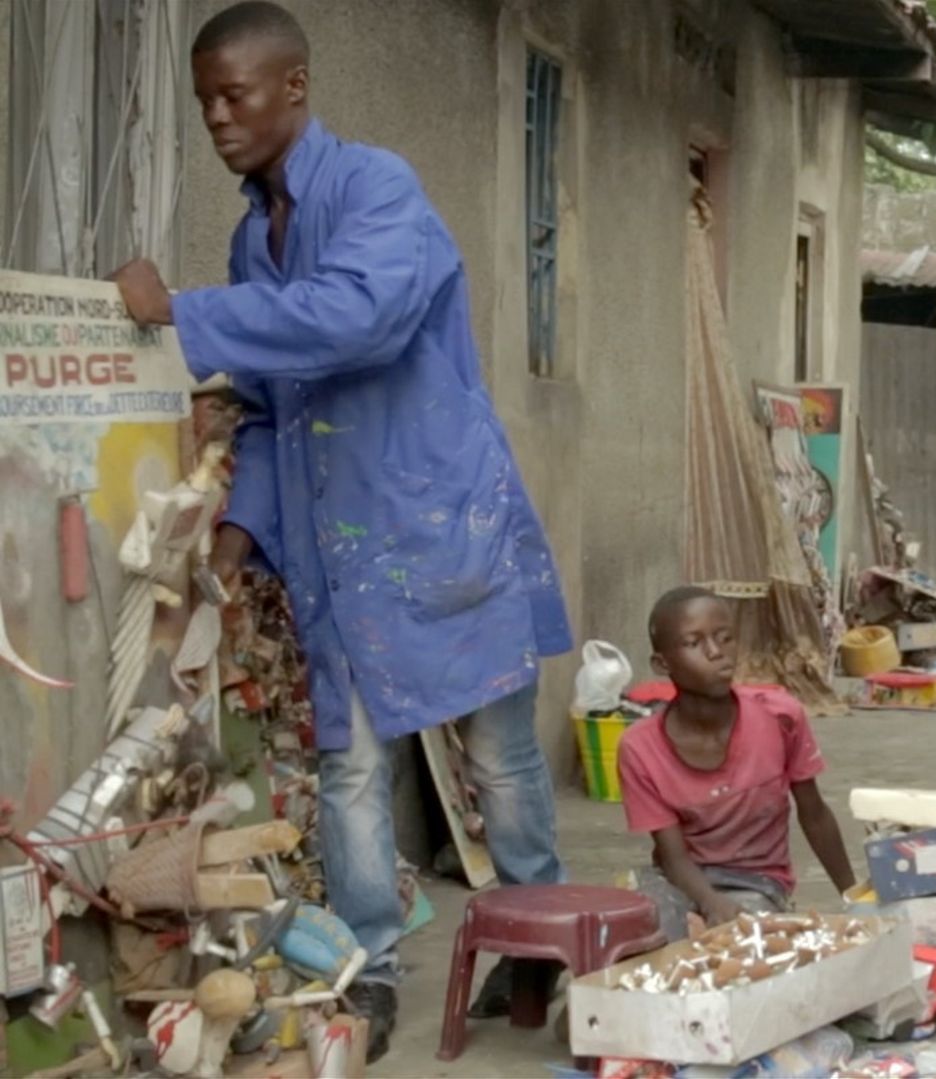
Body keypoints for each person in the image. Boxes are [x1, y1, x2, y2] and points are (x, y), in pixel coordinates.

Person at [109, 2, 571, 1060]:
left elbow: (358, 314)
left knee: (498, 754)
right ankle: (368, 970)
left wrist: (182, 312)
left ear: (296, 88)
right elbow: (271, 407)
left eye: (236, 95)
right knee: (352, 767)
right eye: (205, 102)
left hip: (435, 516)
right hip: (338, 546)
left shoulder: (378, 189)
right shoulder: (249, 235)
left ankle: (537, 939)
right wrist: (231, 549)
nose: (219, 118)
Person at [619, 587, 857, 937]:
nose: (716, 653)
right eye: (694, 643)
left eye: (724, 638)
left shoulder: (780, 716)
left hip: (758, 882)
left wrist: (855, 898)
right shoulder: (640, 747)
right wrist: (709, 902)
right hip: (681, 879)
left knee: (745, 945)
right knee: (643, 937)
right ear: (662, 664)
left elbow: (814, 813)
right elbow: (672, 855)